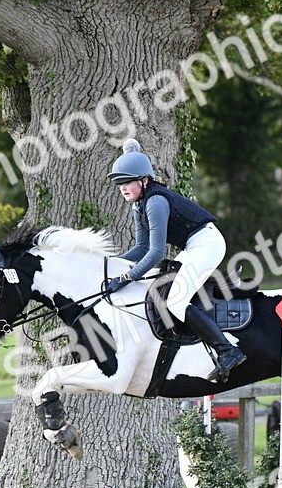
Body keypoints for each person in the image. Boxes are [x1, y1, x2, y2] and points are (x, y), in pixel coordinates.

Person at [105, 138, 246, 382]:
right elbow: (141, 248)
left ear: (144, 181)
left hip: (208, 244)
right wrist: (112, 265)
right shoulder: (139, 205)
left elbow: (156, 253)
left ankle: (227, 351)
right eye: (120, 184)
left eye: (127, 182)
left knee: (176, 301)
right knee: (157, 285)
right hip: (193, 245)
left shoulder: (155, 202)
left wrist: (126, 277)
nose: (123, 188)